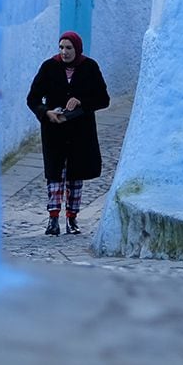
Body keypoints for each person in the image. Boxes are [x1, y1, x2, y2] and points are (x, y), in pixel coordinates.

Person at [25, 31, 111, 235]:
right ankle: (53, 219)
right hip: (54, 131)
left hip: (80, 132)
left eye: (69, 48)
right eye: (61, 47)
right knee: (55, 175)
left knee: (75, 176)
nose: (64, 52)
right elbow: (33, 98)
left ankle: (72, 219)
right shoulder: (49, 67)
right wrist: (46, 112)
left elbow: (103, 99)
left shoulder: (89, 67)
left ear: (77, 49)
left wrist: (81, 100)